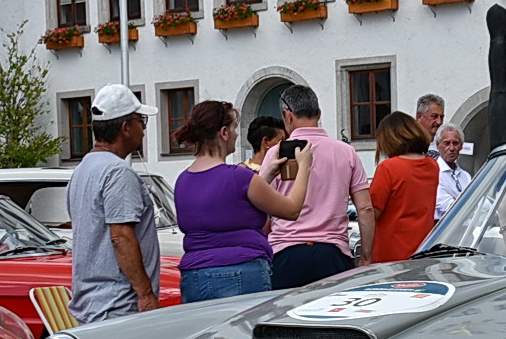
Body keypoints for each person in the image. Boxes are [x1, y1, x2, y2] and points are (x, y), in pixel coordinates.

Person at [173, 101, 314, 302]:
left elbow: (231, 203)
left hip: (194, 275)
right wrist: (304, 167)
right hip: (241, 270)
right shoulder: (238, 176)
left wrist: (266, 175)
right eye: (233, 128)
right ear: (223, 132)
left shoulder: (183, 180)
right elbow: (291, 210)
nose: (236, 134)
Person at [67, 85, 161, 324]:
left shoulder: (82, 169)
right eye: (141, 121)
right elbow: (121, 236)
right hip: (118, 306)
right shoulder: (118, 172)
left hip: (92, 304)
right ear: (125, 127)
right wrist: (146, 294)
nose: (143, 130)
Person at [269, 84, 375, 287]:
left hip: (285, 252)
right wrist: (366, 256)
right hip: (332, 252)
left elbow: (263, 210)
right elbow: (365, 208)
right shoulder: (346, 152)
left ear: (287, 116)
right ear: (318, 113)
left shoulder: (275, 154)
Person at [368, 112, 440, 262]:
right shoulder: (432, 165)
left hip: (391, 252)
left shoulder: (388, 168)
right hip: (422, 249)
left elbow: (372, 213)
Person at [433, 124, 471, 220]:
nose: (452, 148)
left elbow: (481, 203)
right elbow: (447, 207)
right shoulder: (434, 173)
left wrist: (457, 201)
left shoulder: (466, 176)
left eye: (455, 143)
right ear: (438, 145)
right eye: (446, 143)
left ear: (461, 147)